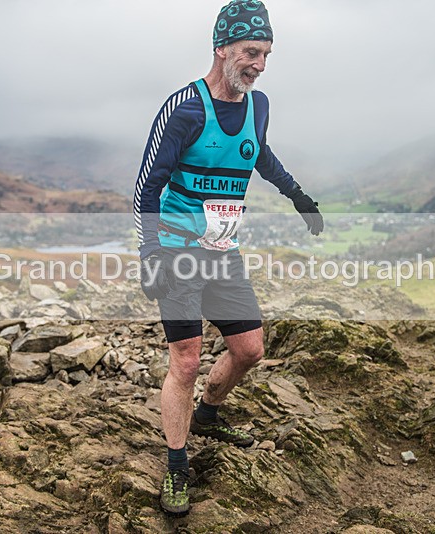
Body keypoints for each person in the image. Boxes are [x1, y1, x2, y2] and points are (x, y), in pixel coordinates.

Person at [132, 0, 324, 516]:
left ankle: (209, 415)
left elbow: (258, 151)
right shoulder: (185, 109)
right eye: (251, 52)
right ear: (222, 49)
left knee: (249, 349)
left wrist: (297, 195)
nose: (259, 64)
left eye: (266, 54)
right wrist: (149, 250)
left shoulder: (258, 106)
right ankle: (176, 464)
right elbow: (147, 187)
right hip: (177, 251)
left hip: (223, 253)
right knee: (187, 361)